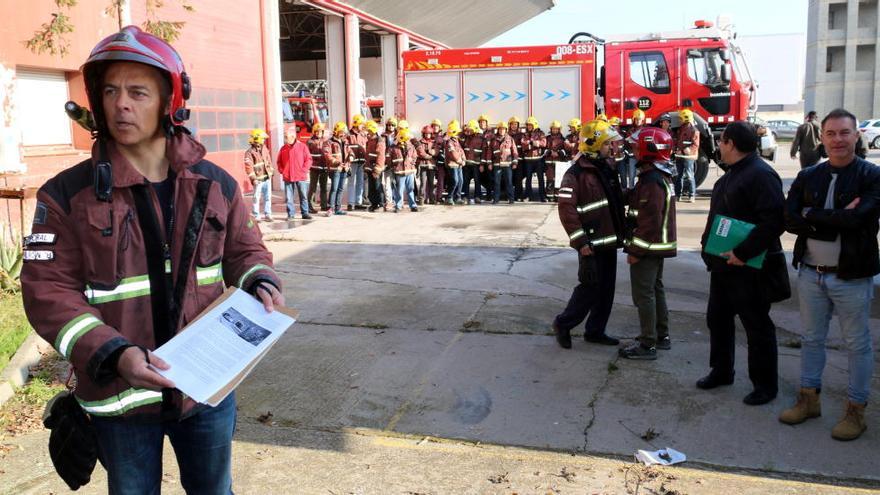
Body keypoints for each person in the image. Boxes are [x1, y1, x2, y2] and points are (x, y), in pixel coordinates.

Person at [20, 25, 283, 494]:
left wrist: (259, 278)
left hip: (204, 394)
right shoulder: (65, 195)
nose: (121, 103)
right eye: (110, 90)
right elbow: (48, 292)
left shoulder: (214, 184)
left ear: (169, 101)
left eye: (138, 91)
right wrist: (114, 354)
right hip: (120, 400)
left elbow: (245, 249)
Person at [780, 108, 880, 441]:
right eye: (831, 133)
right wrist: (833, 216)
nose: (838, 139)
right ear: (821, 137)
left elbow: (859, 219)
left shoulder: (871, 176)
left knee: (857, 345)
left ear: (856, 135)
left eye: (844, 132)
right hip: (811, 273)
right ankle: (809, 400)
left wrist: (813, 215)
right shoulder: (809, 176)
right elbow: (790, 219)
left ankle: (856, 411)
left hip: (851, 275)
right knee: (811, 339)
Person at [697, 121, 785, 406]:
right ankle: (722, 371)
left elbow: (773, 220)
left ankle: (764, 386)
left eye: (721, 141)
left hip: (748, 268)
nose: (719, 147)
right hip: (723, 267)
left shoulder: (761, 175)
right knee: (718, 319)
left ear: (731, 143)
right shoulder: (732, 174)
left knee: (756, 325)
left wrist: (743, 253)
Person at [553, 119, 626, 349]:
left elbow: (614, 200)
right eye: (606, 144)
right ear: (594, 145)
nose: (610, 148)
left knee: (606, 290)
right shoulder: (575, 173)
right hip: (590, 244)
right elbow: (567, 211)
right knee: (589, 288)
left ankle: (595, 331)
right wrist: (581, 241)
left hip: (609, 241)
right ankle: (563, 323)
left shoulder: (606, 167)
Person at [619, 127, 677, 360]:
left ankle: (647, 344)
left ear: (648, 150)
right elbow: (638, 202)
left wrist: (636, 250)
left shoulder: (652, 180)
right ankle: (661, 336)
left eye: (636, 146)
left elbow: (649, 221)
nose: (632, 150)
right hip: (658, 245)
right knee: (655, 289)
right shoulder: (657, 175)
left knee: (644, 294)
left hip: (649, 246)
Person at [276, 126, 312, 221]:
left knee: (303, 195)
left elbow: (308, 160)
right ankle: (290, 215)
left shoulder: (302, 147)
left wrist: (304, 170)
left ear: (292, 137)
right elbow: (279, 162)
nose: (285, 138)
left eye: (286, 137)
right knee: (289, 197)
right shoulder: (283, 149)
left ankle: (305, 213)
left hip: (300, 176)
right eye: (285, 137)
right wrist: (282, 171)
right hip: (288, 176)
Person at [244, 128, 273, 221]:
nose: (264, 140)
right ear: (257, 139)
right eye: (262, 138)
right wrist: (253, 179)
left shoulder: (264, 149)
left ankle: (268, 214)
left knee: (268, 197)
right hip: (258, 180)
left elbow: (269, 161)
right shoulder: (249, 152)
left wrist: (271, 171)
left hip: (267, 178)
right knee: (256, 198)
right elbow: (249, 167)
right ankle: (256, 215)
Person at [488, 119, 519, 204]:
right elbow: (489, 152)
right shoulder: (493, 139)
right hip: (497, 164)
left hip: (507, 165)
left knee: (509, 182)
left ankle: (511, 199)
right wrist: (489, 163)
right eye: (500, 129)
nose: (502, 130)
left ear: (506, 130)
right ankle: (496, 199)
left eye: (503, 129)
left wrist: (515, 162)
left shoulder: (510, 139)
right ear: (498, 130)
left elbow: (514, 151)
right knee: (496, 183)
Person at [388, 127, 418, 212]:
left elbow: (415, 156)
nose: (404, 141)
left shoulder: (411, 146)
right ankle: (398, 206)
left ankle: (413, 205)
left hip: (409, 171)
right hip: (399, 172)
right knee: (399, 190)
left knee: (410, 189)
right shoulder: (393, 147)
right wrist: (393, 168)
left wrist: (412, 163)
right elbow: (389, 159)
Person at [324, 121, 350, 215]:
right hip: (336, 169)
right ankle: (330, 208)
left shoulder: (345, 141)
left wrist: (351, 156)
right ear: (337, 131)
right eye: (341, 131)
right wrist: (337, 162)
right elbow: (327, 155)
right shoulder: (329, 142)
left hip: (344, 168)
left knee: (340, 189)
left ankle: (338, 208)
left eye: (344, 132)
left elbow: (350, 151)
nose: (343, 133)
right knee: (334, 188)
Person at [673, 108, 699, 203]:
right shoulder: (681, 128)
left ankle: (692, 195)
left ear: (685, 118)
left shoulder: (694, 130)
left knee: (689, 175)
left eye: (681, 118)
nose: (679, 120)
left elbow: (695, 145)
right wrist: (677, 150)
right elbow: (678, 141)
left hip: (688, 157)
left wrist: (683, 151)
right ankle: (678, 195)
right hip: (680, 156)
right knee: (679, 176)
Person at [521, 116, 547, 202]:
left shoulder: (541, 133)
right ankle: (528, 196)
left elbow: (544, 143)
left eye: (530, 125)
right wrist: (532, 144)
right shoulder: (525, 134)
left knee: (540, 179)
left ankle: (542, 196)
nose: (529, 127)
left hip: (538, 159)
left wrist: (532, 143)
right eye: (528, 125)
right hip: (528, 160)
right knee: (528, 179)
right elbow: (523, 145)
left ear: (534, 125)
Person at [364, 120, 387, 212]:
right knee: (371, 187)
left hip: (376, 168)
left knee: (378, 186)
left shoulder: (379, 140)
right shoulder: (369, 140)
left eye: (369, 130)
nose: (367, 131)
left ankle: (381, 205)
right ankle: (374, 204)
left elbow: (380, 155)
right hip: (370, 167)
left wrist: (377, 169)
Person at [346, 114, 368, 211]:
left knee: (360, 182)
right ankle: (350, 203)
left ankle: (358, 202)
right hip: (353, 162)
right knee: (351, 182)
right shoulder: (348, 135)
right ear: (355, 124)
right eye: (360, 124)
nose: (362, 126)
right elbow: (346, 148)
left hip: (362, 162)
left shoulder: (363, 135)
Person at [307, 122, 330, 212]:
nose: (318, 133)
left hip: (324, 167)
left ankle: (324, 205)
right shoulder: (310, 142)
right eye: (317, 131)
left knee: (324, 187)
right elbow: (307, 155)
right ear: (314, 132)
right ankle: (310, 206)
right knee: (313, 187)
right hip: (314, 168)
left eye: (320, 131)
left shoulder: (326, 141)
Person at [462, 120, 485, 204]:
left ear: (475, 129)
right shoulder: (466, 137)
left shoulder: (481, 138)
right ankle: (465, 197)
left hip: (476, 164)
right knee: (466, 181)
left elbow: (483, 152)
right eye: (468, 129)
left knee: (477, 181)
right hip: (467, 164)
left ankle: (477, 197)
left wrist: (482, 164)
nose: (469, 131)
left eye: (471, 129)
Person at [545, 120, 568, 201]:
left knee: (558, 180)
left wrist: (558, 153)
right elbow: (543, 149)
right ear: (551, 129)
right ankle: (549, 196)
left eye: (556, 129)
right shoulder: (547, 138)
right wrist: (549, 152)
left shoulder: (563, 139)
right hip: (549, 163)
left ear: (559, 130)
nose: (554, 130)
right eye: (553, 129)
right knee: (550, 179)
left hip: (559, 163)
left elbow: (566, 151)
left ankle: (557, 196)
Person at [416, 125, 438, 205]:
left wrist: (431, 151)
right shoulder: (420, 142)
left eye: (429, 133)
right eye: (426, 133)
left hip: (431, 166)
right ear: (423, 134)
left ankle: (432, 199)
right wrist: (429, 156)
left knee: (431, 183)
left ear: (431, 134)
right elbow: (420, 152)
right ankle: (421, 199)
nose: (427, 135)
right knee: (423, 183)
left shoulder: (433, 142)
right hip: (423, 166)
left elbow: (436, 151)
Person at [382, 117, 399, 208]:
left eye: (392, 125)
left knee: (396, 182)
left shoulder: (399, 136)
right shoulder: (383, 136)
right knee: (387, 182)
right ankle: (389, 201)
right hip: (386, 162)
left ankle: (397, 200)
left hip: (397, 163)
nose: (390, 126)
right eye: (388, 125)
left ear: (395, 126)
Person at [509, 116, 526, 201]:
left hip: (519, 160)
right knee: (510, 178)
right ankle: (511, 195)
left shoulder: (521, 135)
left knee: (518, 179)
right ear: (510, 125)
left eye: (516, 124)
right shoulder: (507, 135)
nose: (514, 126)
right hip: (509, 160)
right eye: (512, 124)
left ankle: (519, 195)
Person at [431, 118, 447, 204]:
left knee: (441, 180)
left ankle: (439, 198)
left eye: (437, 126)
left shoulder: (442, 137)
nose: (435, 127)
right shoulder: (428, 135)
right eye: (433, 126)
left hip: (440, 162)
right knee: (429, 181)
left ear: (439, 127)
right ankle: (428, 197)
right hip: (431, 161)